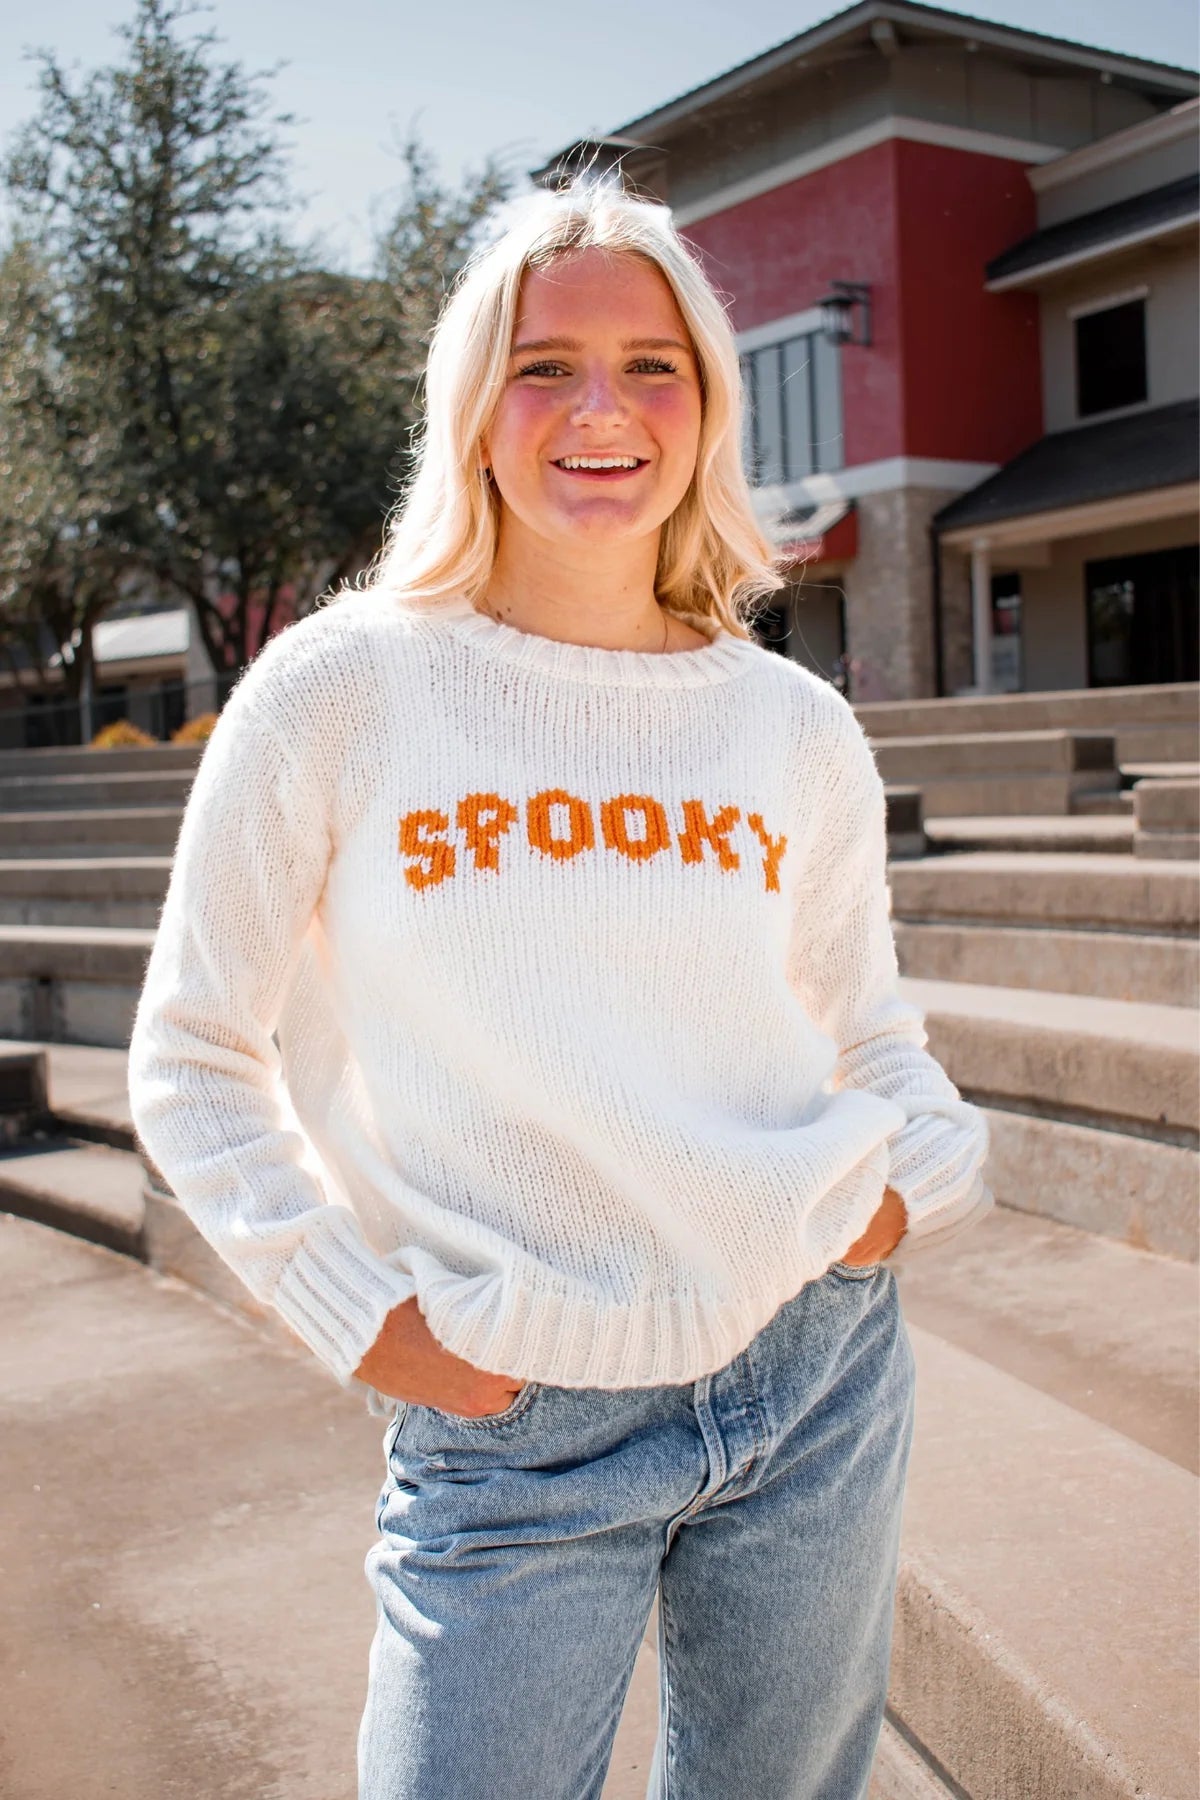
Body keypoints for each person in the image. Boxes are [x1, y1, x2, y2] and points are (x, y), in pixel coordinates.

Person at [126, 176, 993, 1800]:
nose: (604, 410)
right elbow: (190, 1054)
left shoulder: (793, 726)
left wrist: (905, 1196)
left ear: (709, 404)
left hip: (814, 1377)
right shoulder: (342, 689)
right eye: (547, 365)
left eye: (654, 364)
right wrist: (357, 1312)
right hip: (510, 1421)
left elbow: (872, 1035)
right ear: (474, 407)